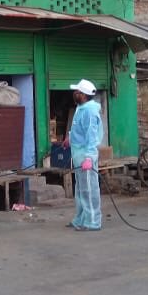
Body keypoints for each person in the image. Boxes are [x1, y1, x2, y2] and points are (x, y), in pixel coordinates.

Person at [64, 79, 103, 232]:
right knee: (80, 190)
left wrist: (89, 157)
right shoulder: (81, 108)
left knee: (89, 190)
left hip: (86, 156)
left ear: (84, 95)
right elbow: (79, 129)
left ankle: (93, 221)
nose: (75, 94)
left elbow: (92, 136)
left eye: (77, 92)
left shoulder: (89, 111)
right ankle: (81, 218)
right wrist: (70, 138)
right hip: (78, 153)